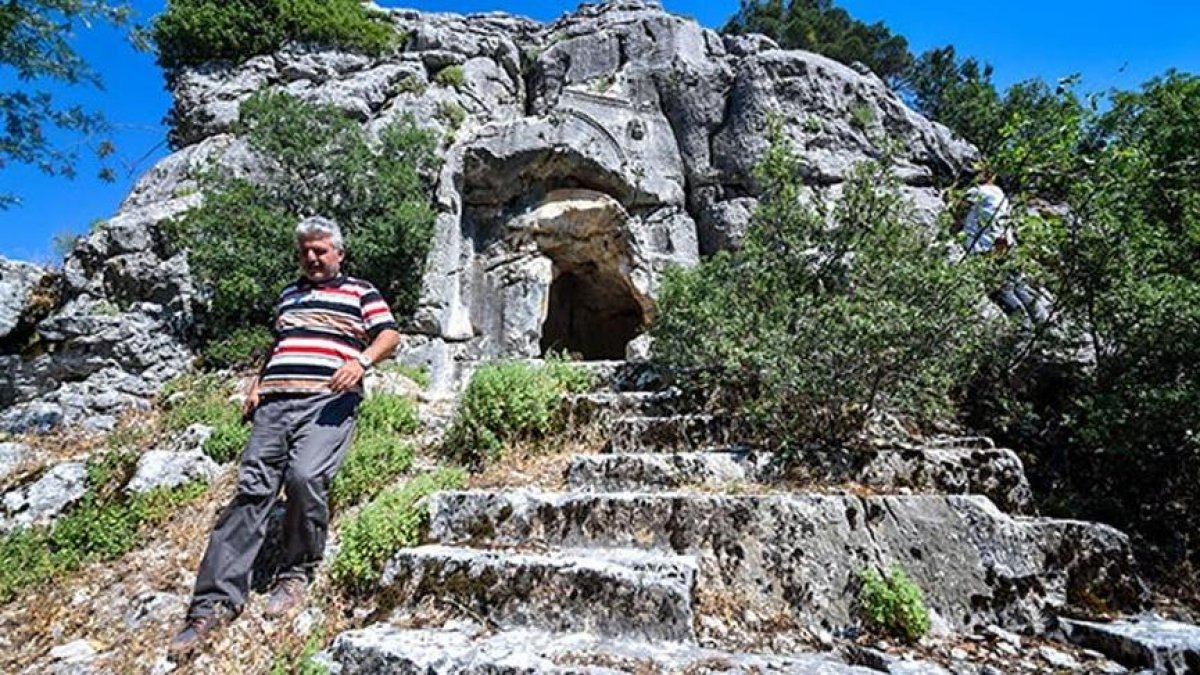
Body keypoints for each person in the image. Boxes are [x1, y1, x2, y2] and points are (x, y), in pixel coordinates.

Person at [169, 216, 401, 654]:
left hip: (328, 402)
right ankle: (211, 607)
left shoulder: (360, 291)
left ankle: (296, 573)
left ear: (339, 254)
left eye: (320, 251)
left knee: (305, 477)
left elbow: (389, 334)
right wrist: (258, 383)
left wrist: (362, 363)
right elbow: (281, 344)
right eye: (305, 252)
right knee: (251, 494)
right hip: (273, 405)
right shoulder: (288, 295)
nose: (312, 258)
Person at [956, 167, 1049, 325]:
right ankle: (1045, 324)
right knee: (1019, 288)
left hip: (987, 247)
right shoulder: (1000, 194)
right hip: (1007, 244)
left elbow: (959, 209)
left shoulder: (979, 191)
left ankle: (1024, 329)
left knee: (1002, 291)